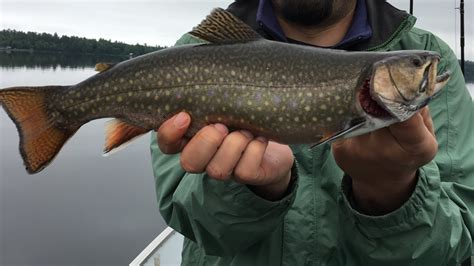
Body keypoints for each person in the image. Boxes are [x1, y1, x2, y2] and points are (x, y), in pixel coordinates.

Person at [150, 0, 474, 264]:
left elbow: (451, 250)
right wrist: (257, 190)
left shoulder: (435, 54)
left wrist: (392, 190)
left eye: (416, 65)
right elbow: (196, 227)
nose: (423, 68)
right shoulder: (195, 55)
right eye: (416, 66)